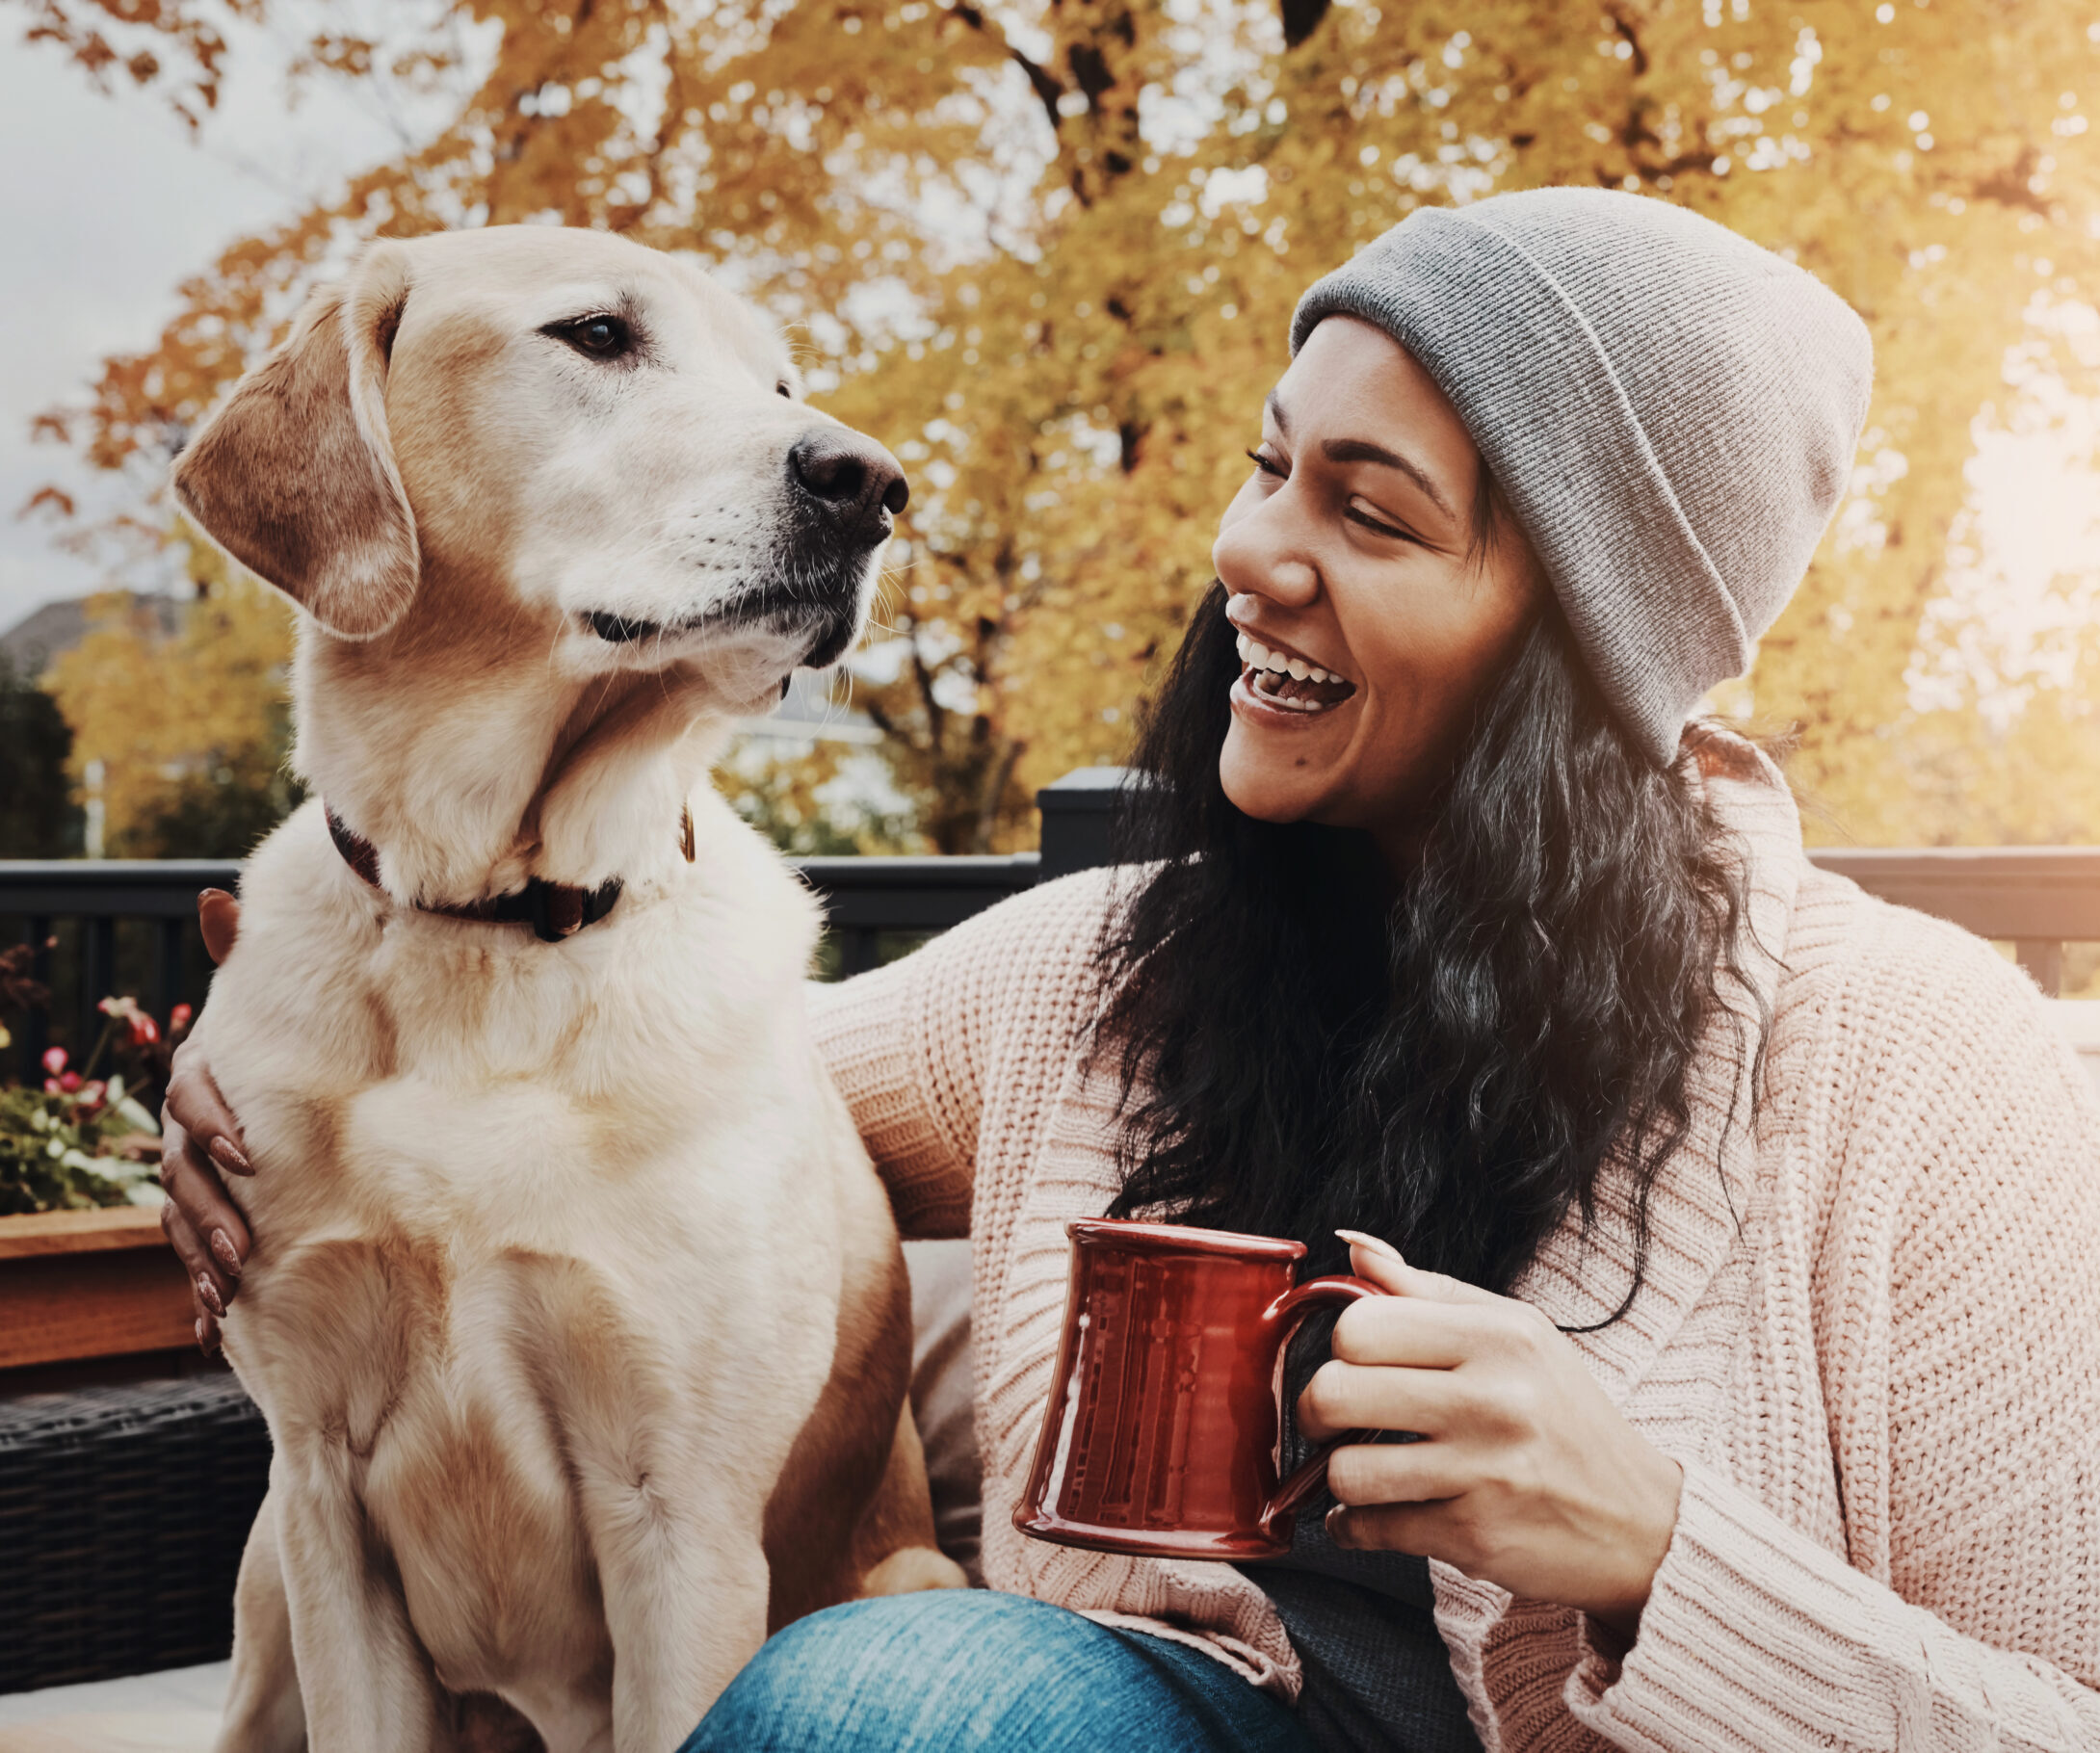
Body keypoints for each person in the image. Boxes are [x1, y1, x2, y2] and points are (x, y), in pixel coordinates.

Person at [160, 189, 2100, 1752]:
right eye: (1273, 467)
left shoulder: (1930, 1070)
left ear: (1579, 649)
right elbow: (645, 1100)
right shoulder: (1101, 977)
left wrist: (1653, 1552)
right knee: (906, 1701)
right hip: (1177, 1706)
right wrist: (278, 1104)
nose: (1252, 551)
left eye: (1370, 511)